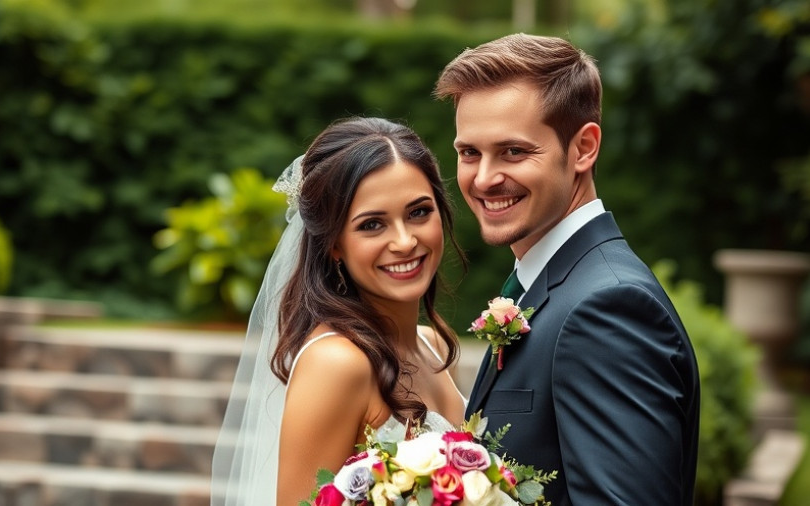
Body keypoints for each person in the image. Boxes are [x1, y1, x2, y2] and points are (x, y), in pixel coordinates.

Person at [434, 34, 700, 505]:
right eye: (469, 152)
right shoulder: (553, 287)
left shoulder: (608, 308)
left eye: (514, 151)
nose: (483, 178)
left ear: (583, 148)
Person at [210, 116, 468, 506]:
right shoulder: (337, 363)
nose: (404, 241)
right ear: (334, 244)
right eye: (372, 225)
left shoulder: (433, 345)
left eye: (418, 212)